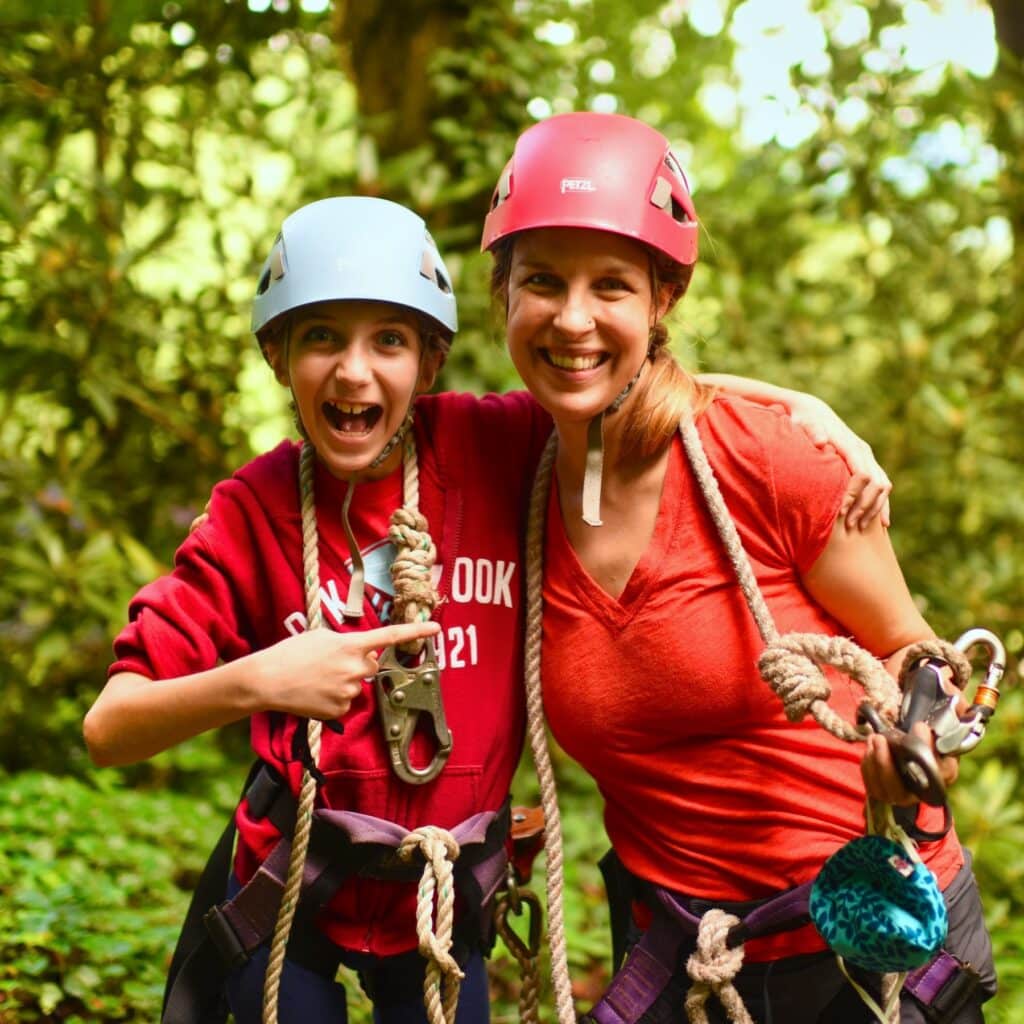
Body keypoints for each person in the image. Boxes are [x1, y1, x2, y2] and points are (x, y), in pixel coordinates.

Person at [84, 194, 890, 1024]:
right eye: (320, 336)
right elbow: (112, 728)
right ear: (276, 355)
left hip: (444, 909)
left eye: (388, 340)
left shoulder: (497, 449)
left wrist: (801, 410)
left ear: (430, 363)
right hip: (293, 893)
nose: (354, 372)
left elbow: (617, 375)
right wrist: (257, 680)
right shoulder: (250, 515)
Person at [480, 111, 996, 1024]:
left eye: (611, 286)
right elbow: (369, 420)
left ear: (662, 301)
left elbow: (921, 655)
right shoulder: (509, 468)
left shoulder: (765, 457)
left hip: (867, 940)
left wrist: (912, 738)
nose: (572, 319)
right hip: (683, 949)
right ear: (503, 297)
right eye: (542, 283)